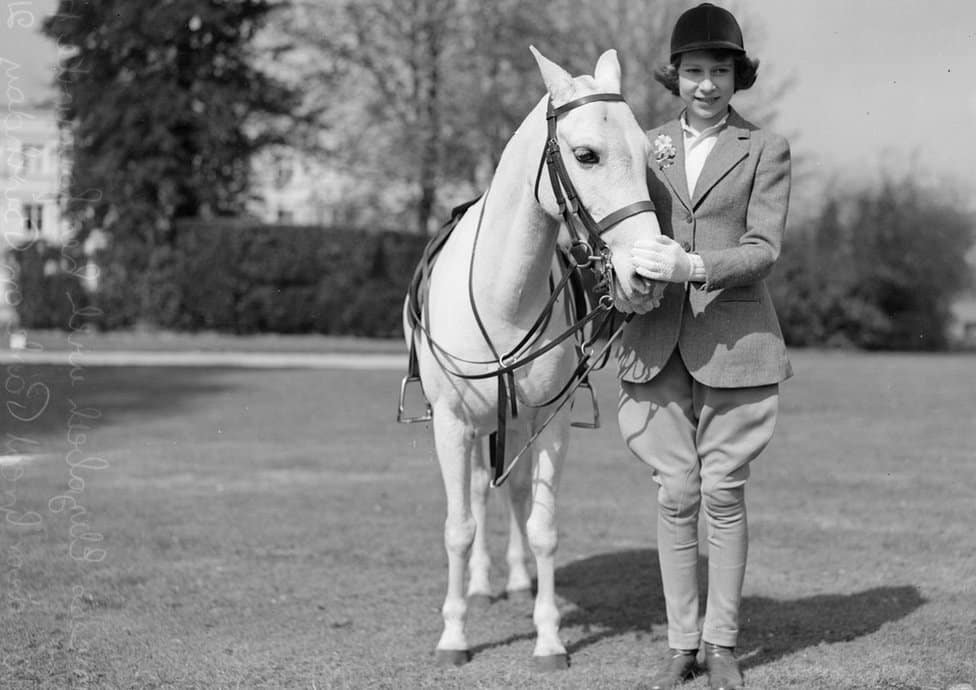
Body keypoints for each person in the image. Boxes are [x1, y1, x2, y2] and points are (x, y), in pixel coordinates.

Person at [615, 4, 792, 689]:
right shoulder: (643, 144)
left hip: (735, 337)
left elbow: (764, 248)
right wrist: (624, 279)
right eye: (695, 71)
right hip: (652, 337)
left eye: (721, 71)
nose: (707, 85)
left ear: (738, 76)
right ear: (676, 76)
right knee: (675, 492)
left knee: (722, 492)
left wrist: (695, 267)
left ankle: (721, 644)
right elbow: (616, 234)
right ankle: (679, 643)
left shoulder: (765, 149)